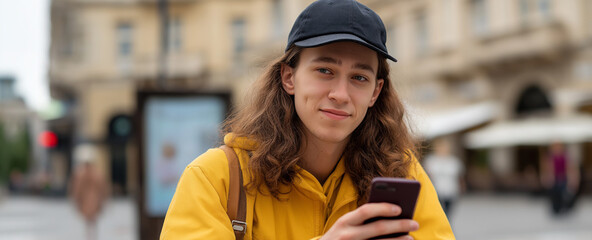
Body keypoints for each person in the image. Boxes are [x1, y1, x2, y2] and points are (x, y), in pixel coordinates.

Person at [159, 0, 454, 239]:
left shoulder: (400, 172)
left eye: (359, 77)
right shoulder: (215, 177)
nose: (340, 94)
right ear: (289, 77)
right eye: (325, 70)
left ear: (375, 92)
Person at [69, 144, 109, 240]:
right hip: (92, 201)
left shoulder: (82, 173)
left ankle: (90, 236)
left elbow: (103, 188)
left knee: (90, 221)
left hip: (91, 201)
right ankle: (91, 236)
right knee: (91, 222)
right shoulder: (94, 173)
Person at [424, 139, 465, 219]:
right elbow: (427, 176)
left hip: (451, 190)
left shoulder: (454, 161)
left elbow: (459, 177)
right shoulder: (431, 161)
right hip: (437, 190)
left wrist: (461, 188)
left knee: (448, 213)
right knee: (438, 212)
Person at [540, 141, 579, 216]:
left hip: (563, 178)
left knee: (563, 194)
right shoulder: (550, 157)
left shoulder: (565, 156)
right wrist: (546, 177)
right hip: (555, 179)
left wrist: (572, 179)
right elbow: (548, 169)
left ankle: (563, 208)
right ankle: (556, 209)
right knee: (555, 195)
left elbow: (569, 168)